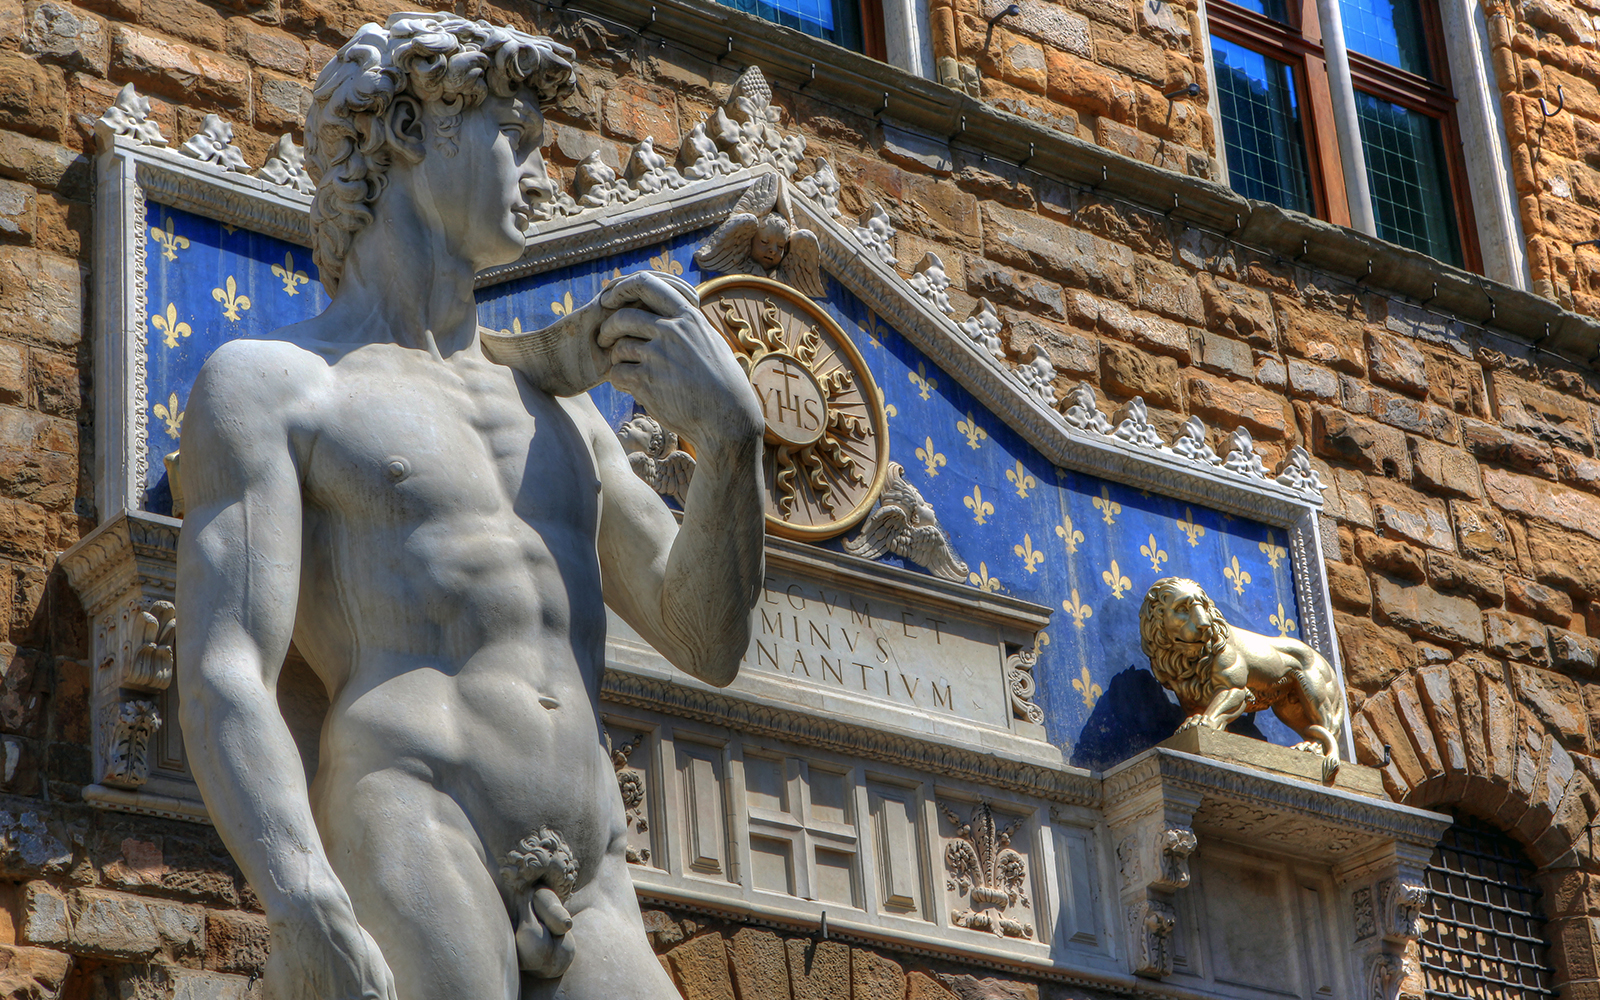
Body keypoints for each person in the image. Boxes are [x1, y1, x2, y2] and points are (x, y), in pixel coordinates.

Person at [174, 13, 766, 1000]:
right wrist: (298, 889)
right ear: (410, 130)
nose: (541, 171)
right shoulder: (277, 385)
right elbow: (224, 663)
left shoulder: (561, 421)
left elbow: (704, 637)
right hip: (412, 811)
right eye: (514, 135)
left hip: (594, 871)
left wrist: (733, 445)